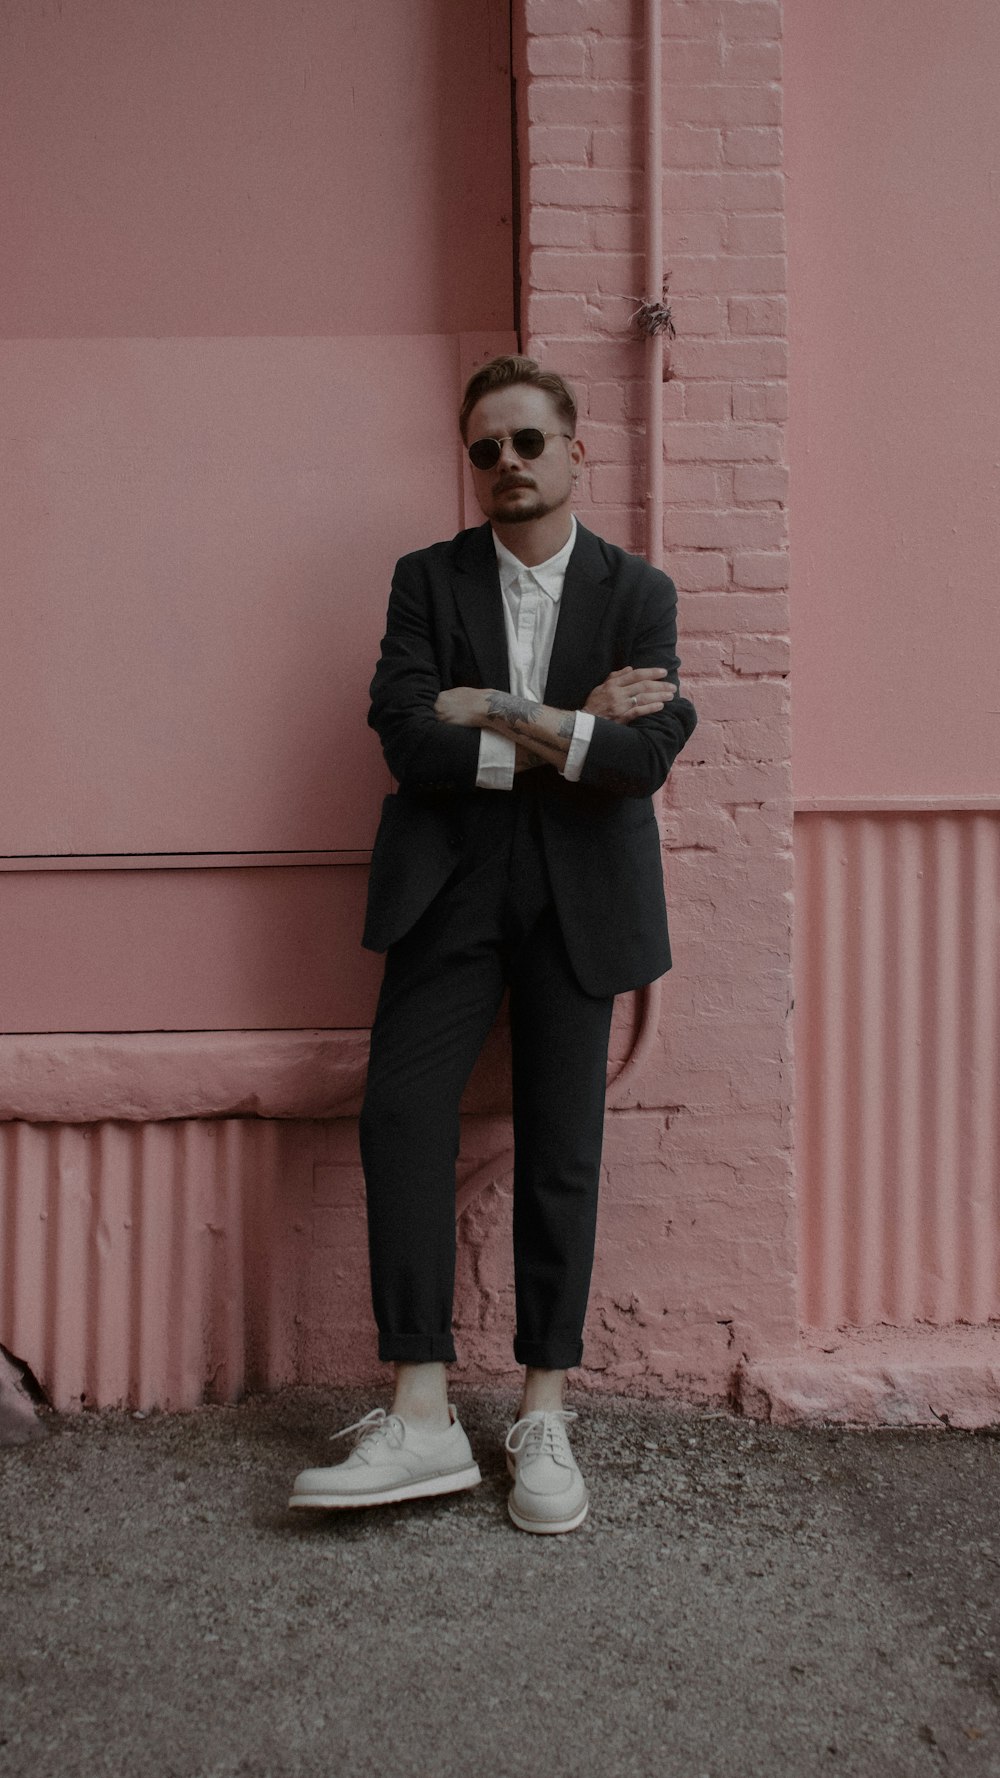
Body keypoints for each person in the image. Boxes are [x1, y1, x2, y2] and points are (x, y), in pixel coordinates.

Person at [289, 355, 697, 1532]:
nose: (507, 464)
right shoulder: (427, 580)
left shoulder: (639, 591)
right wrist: (572, 725)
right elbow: (406, 737)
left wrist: (498, 708)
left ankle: (544, 1411)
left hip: (582, 894)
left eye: (528, 441)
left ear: (576, 452)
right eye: (485, 449)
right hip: (449, 886)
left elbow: (645, 758)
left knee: (562, 1146)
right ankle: (419, 1410)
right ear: (470, 467)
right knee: (400, 1113)